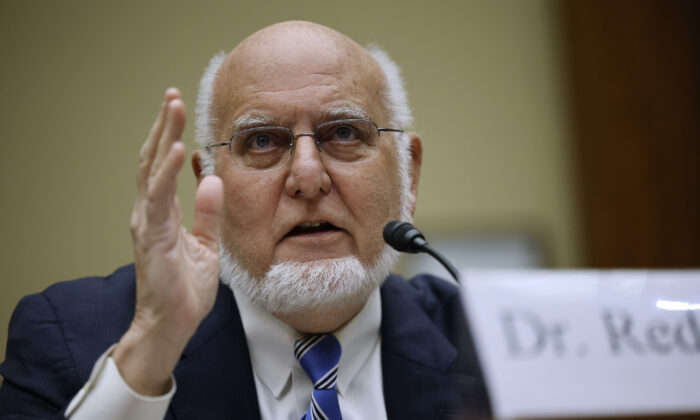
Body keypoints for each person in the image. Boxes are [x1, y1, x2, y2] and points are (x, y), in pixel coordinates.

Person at [0, 21, 490, 419]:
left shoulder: (491, 347)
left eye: (343, 132)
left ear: (410, 175)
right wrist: (152, 351)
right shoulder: (66, 340)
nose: (307, 176)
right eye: (262, 141)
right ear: (207, 181)